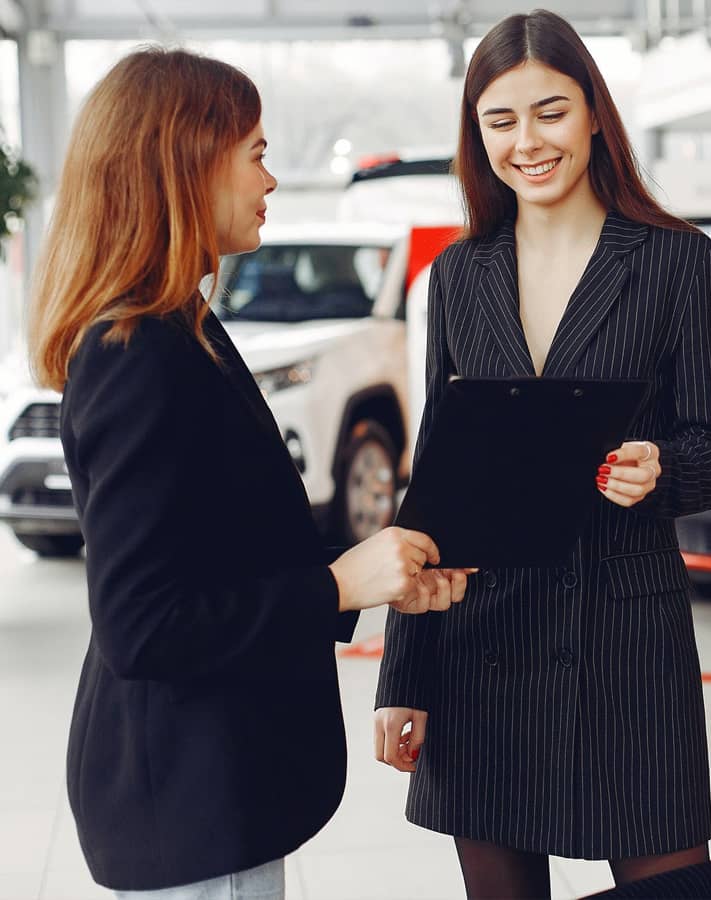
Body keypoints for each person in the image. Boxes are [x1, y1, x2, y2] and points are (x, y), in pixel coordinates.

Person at [28, 47, 473, 899]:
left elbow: (218, 547)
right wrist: (338, 585)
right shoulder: (138, 353)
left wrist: (373, 577)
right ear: (185, 161)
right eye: (257, 152)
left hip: (209, 787)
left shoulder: (181, 325)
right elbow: (143, 625)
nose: (271, 180)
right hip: (189, 807)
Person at [374, 9, 711, 899]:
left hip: (627, 641)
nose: (527, 142)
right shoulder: (460, 275)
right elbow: (438, 485)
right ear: (477, 134)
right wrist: (402, 677)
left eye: (551, 112)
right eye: (500, 120)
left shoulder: (677, 261)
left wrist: (661, 469)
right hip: (482, 638)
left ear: (594, 116)